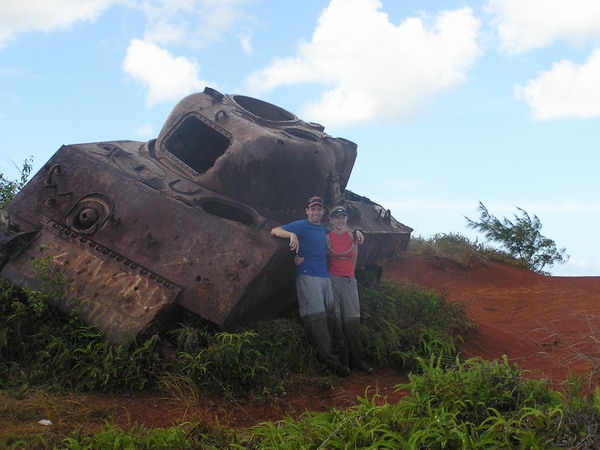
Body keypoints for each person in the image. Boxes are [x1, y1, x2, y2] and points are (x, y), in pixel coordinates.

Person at [270, 196, 350, 377]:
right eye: (312, 209)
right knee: (316, 317)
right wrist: (291, 234)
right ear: (307, 211)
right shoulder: (301, 225)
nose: (315, 212)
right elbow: (275, 230)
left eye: (319, 209)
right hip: (307, 275)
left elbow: (339, 231)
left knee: (329, 315)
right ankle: (329, 363)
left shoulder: (323, 229)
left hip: (324, 276)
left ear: (323, 212)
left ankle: (324, 354)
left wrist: (357, 231)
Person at [327, 206, 374, 374]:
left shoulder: (352, 236)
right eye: (337, 218)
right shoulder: (327, 237)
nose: (341, 220)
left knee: (352, 318)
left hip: (348, 279)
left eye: (343, 217)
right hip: (332, 280)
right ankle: (343, 361)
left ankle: (357, 359)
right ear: (331, 220)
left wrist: (350, 276)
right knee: (337, 321)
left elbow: (354, 258)